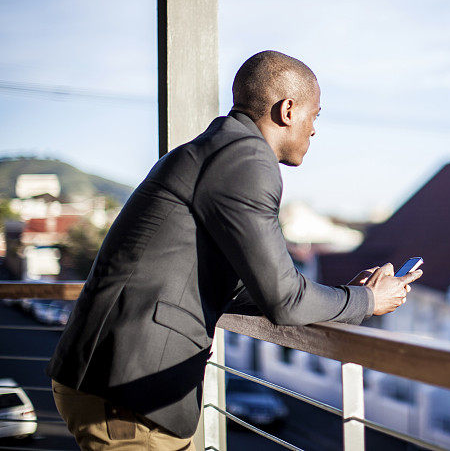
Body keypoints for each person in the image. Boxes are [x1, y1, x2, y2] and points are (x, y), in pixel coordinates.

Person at [47, 50, 422, 450]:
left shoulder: (217, 149)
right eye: (315, 115)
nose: (314, 130)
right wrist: (366, 300)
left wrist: (340, 298)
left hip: (126, 390)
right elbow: (284, 300)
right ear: (288, 110)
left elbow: (252, 288)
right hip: (128, 398)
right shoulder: (245, 158)